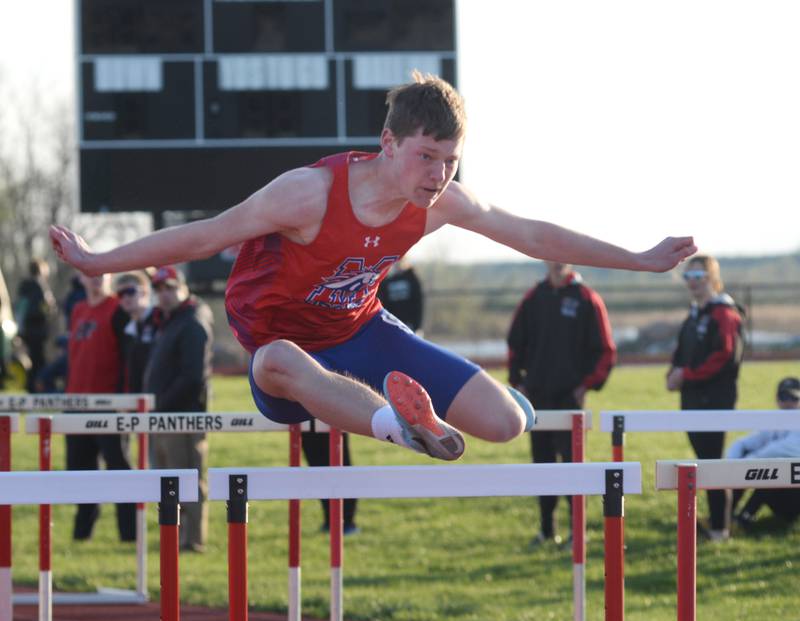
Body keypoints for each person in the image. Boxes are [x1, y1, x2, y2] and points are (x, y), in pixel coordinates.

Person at [50, 72, 696, 466]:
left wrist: (637, 260)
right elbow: (204, 237)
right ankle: (403, 428)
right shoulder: (308, 195)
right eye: (426, 157)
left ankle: (468, 414)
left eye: (451, 160)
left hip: (364, 332)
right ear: (388, 144)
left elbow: (531, 233)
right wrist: (97, 259)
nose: (439, 175)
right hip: (285, 349)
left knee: (505, 424)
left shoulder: (441, 204)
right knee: (279, 359)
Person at [507, 262, 616, 545]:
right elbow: (515, 343)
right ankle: (546, 531)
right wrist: (517, 381)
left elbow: (605, 351)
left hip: (569, 399)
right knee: (542, 468)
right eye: (550, 255)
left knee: (572, 468)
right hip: (537, 398)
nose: (556, 260)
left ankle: (577, 534)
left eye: (562, 254)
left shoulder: (586, 299)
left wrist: (586, 385)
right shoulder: (534, 297)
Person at [667, 254, 745, 542]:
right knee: (705, 461)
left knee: (711, 463)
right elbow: (682, 351)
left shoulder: (724, 313)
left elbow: (724, 357)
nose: (693, 283)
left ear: (712, 279)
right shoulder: (696, 313)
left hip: (714, 400)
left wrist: (687, 374)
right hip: (692, 400)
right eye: (688, 277)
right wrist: (674, 372)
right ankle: (716, 524)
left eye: (698, 277)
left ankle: (720, 529)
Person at [145, 266, 214, 553]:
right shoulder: (172, 320)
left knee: (187, 478)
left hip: (182, 416)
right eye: (159, 290)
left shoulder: (192, 321)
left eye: (170, 288)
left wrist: (160, 405)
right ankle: (176, 536)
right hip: (164, 415)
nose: (164, 295)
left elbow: (192, 376)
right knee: (168, 479)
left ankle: (192, 540)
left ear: (184, 288)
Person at [66, 272, 136, 541]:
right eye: (89, 275)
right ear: (81, 280)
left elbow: (129, 357)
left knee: (118, 467)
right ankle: (82, 533)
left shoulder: (118, 309)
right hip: (76, 401)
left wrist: (126, 399)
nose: (95, 279)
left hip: (109, 403)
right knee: (79, 470)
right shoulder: (78, 309)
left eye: (100, 274)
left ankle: (128, 534)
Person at [729, 377, 800, 531]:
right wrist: (730, 465)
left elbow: (780, 450)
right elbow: (744, 443)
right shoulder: (775, 422)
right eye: (783, 397)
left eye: (794, 398)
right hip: (781, 486)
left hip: (795, 495)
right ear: (777, 399)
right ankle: (723, 517)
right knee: (757, 466)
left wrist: (745, 464)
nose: (788, 402)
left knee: (768, 472)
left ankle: (742, 521)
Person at [15, 259, 54, 392]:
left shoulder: (23, 287)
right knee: (39, 361)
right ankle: (38, 389)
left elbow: (19, 309)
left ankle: (29, 387)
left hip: (25, 331)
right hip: (38, 331)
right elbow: (47, 307)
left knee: (29, 361)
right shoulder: (41, 285)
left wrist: (19, 330)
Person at [114, 272, 157, 394]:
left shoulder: (160, 320)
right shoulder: (128, 331)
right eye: (120, 294)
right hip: (137, 401)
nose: (125, 298)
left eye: (130, 291)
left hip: (161, 402)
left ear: (145, 292)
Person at [377, 258, 424, 332]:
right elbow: (382, 301)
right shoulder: (387, 281)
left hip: (409, 324)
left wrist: (417, 325)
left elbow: (418, 302)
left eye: (401, 261)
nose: (398, 264)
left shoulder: (412, 278)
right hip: (392, 323)